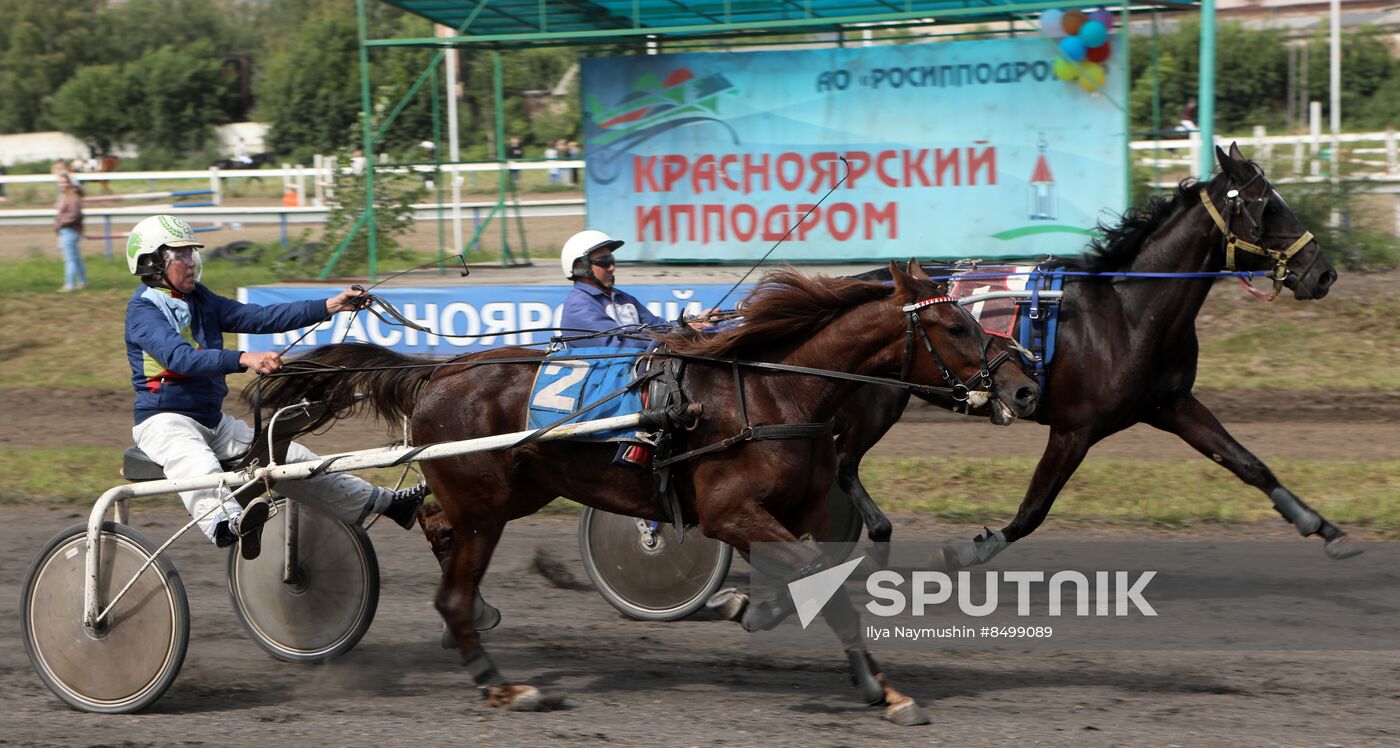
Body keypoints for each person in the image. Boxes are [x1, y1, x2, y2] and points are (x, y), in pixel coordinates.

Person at [124, 214, 428, 560]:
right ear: (153, 262)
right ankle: (226, 525)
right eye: (181, 255)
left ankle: (387, 504)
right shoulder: (142, 312)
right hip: (163, 422)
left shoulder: (200, 299)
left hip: (213, 422)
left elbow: (260, 318)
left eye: (192, 254)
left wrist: (330, 306)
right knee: (197, 464)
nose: (191, 262)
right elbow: (179, 358)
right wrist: (244, 359)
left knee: (293, 458)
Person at [559, 229, 668, 349]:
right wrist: (667, 341)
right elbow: (617, 345)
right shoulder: (578, 305)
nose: (612, 268)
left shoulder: (623, 298)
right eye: (604, 262)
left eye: (612, 260)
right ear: (581, 266)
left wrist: (684, 328)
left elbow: (659, 326)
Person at [54, 172, 87, 292]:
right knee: (76, 258)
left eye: (64, 181)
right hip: (69, 230)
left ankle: (69, 285)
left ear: (70, 182)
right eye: (60, 182)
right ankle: (83, 282)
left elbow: (74, 215)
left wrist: (61, 223)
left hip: (69, 230)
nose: (61, 184)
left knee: (70, 259)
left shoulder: (72, 197)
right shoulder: (66, 195)